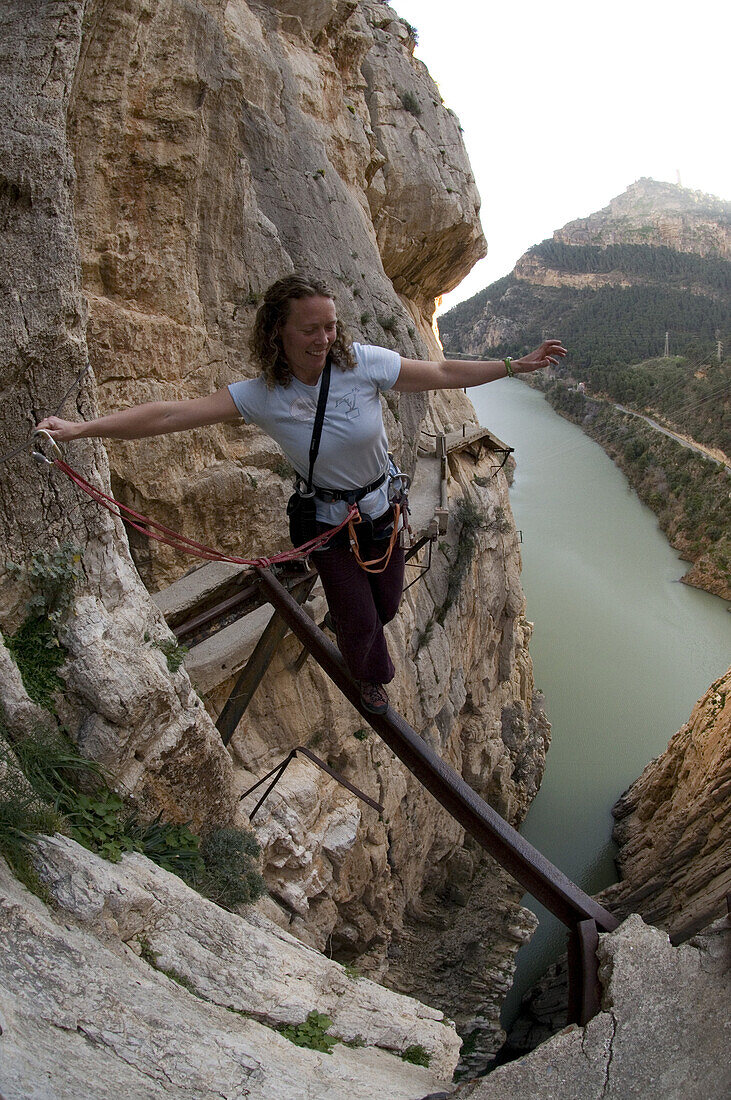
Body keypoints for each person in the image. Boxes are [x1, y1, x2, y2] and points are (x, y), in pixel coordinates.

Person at [38, 273, 566, 715]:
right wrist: (83, 430)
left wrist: (513, 366)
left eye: (330, 327)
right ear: (279, 332)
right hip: (329, 522)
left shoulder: (364, 365)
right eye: (310, 329)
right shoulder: (264, 395)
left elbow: (443, 371)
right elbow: (173, 413)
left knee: (383, 607)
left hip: (383, 512)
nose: (323, 339)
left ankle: (353, 620)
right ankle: (370, 679)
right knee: (362, 622)